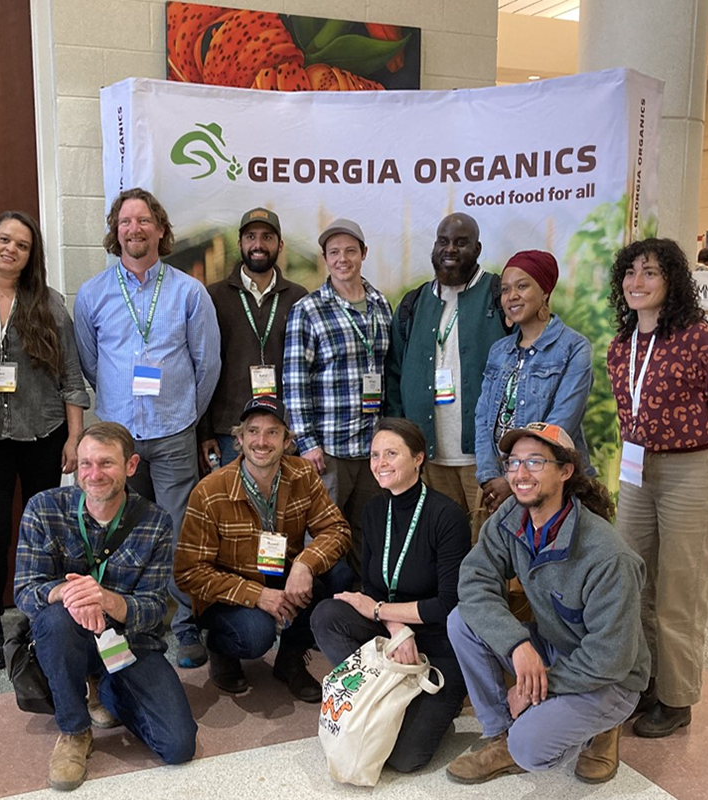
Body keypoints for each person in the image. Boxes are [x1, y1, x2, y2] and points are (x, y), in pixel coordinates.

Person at [445, 422, 649, 785]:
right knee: (461, 620)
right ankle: (500, 736)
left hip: (609, 678)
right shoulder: (510, 520)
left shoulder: (607, 556)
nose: (521, 474)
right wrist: (518, 644)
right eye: (514, 462)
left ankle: (603, 728)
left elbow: (611, 658)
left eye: (536, 462)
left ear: (565, 471)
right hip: (554, 647)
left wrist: (536, 687)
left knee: (531, 748)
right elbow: (474, 582)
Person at [606, 238, 708, 738]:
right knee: (633, 579)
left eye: (649, 273)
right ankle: (646, 680)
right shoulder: (622, 346)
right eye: (630, 273)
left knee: (680, 590)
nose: (636, 282)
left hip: (689, 471)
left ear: (672, 281)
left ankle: (677, 697)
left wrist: (704, 465)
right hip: (636, 472)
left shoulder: (700, 339)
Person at [74, 187, 222, 669]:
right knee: (120, 531)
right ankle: (132, 627)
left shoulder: (187, 291)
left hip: (175, 432)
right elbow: (90, 364)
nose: (133, 230)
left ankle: (184, 628)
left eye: (143, 221)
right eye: (124, 223)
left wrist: (184, 412)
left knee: (178, 530)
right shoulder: (94, 294)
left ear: (160, 229)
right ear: (115, 233)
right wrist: (118, 408)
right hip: (118, 439)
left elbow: (208, 363)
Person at [14, 422, 197, 791]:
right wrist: (71, 594)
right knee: (54, 618)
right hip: (67, 635)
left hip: (128, 640)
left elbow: (152, 610)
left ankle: (103, 685)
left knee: (178, 746)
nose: (93, 475)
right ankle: (74, 730)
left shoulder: (156, 521)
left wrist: (107, 600)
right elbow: (25, 591)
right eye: (86, 464)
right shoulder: (44, 508)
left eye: (106, 463)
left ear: (130, 466)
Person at [0, 210, 90, 672]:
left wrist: (75, 436)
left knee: (45, 536)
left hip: (43, 434)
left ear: (32, 256)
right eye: (4, 240)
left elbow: (70, 375)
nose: (12, 249)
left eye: (23, 244)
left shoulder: (49, 303)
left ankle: (39, 619)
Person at [311, 418, 470, 773]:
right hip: (392, 633)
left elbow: (448, 605)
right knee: (327, 615)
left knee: (403, 759)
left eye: (391, 454)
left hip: (441, 641)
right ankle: (376, 695)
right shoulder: (372, 511)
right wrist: (395, 625)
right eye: (375, 455)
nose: (380, 463)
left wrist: (380, 609)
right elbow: (371, 588)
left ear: (418, 458)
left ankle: (435, 704)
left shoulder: (447, 516)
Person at [176, 396, 352, 702]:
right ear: (239, 440)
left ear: (286, 441)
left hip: (278, 570)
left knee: (339, 575)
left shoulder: (303, 474)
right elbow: (189, 572)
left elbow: (336, 529)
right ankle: (221, 650)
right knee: (257, 635)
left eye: (272, 432)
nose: (262, 441)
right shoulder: (210, 490)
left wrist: (305, 564)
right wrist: (255, 595)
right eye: (253, 431)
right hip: (226, 593)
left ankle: (290, 660)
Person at [385, 213, 507, 537]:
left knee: (489, 547)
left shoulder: (498, 294)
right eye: (443, 241)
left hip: (484, 459)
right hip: (430, 458)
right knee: (442, 546)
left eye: (460, 242)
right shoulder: (414, 302)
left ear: (477, 249)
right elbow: (394, 375)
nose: (450, 249)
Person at [283, 218, 392, 551]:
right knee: (323, 535)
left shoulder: (381, 305)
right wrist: (307, 442)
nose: (342, 259)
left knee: (368, 534)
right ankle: (319, 602)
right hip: (329, 450)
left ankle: (359, 599)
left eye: (350, 251)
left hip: (372, 446)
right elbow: (294, 380)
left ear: (363, 253)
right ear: (325, 258)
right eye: (334, 252)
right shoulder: (308, 309)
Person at [474, 250, 593, 518]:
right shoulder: (499, 350)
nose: (511, 296)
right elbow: (482, 417)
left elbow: (559, 426)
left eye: (522, 286)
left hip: (552, 487)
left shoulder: (574, 348)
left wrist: (514, 477)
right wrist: (490, 476)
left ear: (545, 293)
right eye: (505, 289)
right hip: (498, 489)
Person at [199, 208, 307, 469]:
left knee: (281, 506)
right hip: (230, 430)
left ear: (280, 245)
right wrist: (205, 432)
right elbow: (200, 367)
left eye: (267, 237)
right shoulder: (213, 297)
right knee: (230, 504)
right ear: (240, 243)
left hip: (281, 430)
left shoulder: (299, 298)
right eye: (250, 237)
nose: (258, 245)